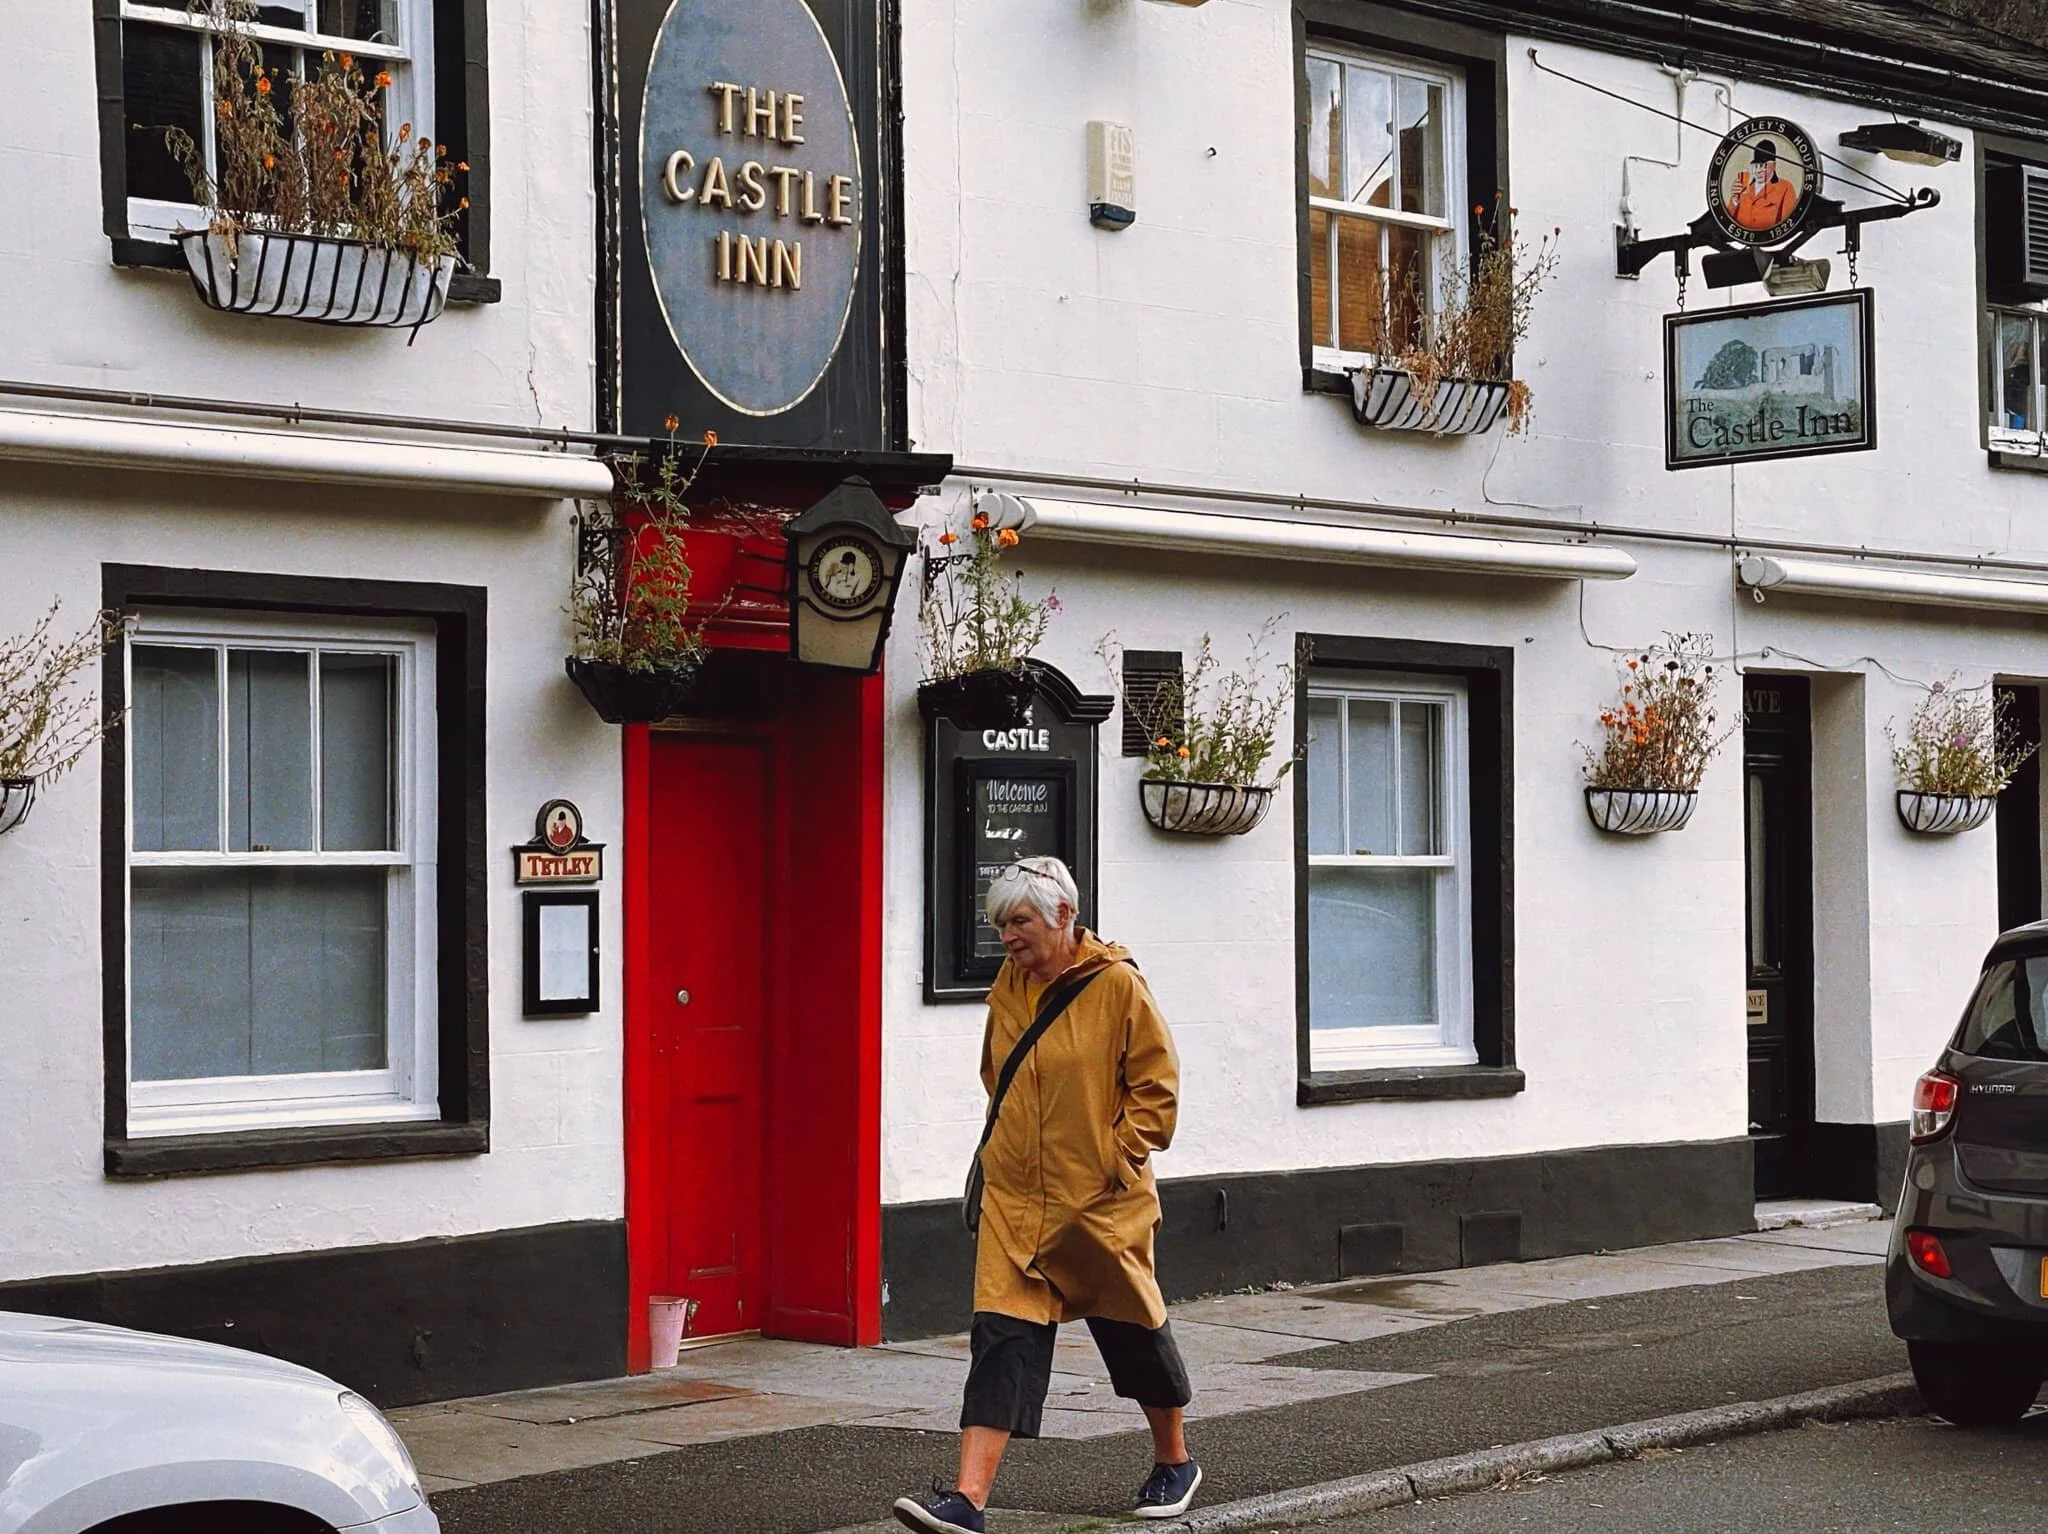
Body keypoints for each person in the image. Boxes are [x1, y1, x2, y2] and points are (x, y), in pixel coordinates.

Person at [893, 856, 1199, 1533]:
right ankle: (968, 1501)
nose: (1007, 936)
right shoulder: (1009, 984)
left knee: (1129, 1333)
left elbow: (1158, 1092)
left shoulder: (1117, 986)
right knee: (1000, 1338)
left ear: (1063, 916)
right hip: (1017, 1198)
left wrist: (1112, 1160)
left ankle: (1174, 1459)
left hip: (1097, 1201)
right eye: (1000, 923)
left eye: (1020, 921)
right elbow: (997, 1074)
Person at [1728, 140, 1800, 233]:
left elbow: (1788, 225)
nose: (1759, 170)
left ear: (1773, 166)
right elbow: (1727, 222)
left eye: (1764, 165)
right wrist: (1735, 200)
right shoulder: (1744, 189)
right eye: (1756, 166)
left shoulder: (1786, 188)